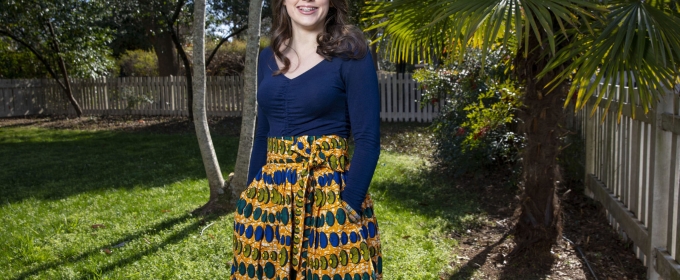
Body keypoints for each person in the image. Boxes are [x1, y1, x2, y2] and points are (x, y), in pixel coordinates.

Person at [230, 0, 382, 279]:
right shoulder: (267, 57)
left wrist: (348, 204)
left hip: (329, 197)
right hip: (269, 199)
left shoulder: (352, 53)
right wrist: (248, 197)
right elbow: (263, 134)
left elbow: (368, 138)